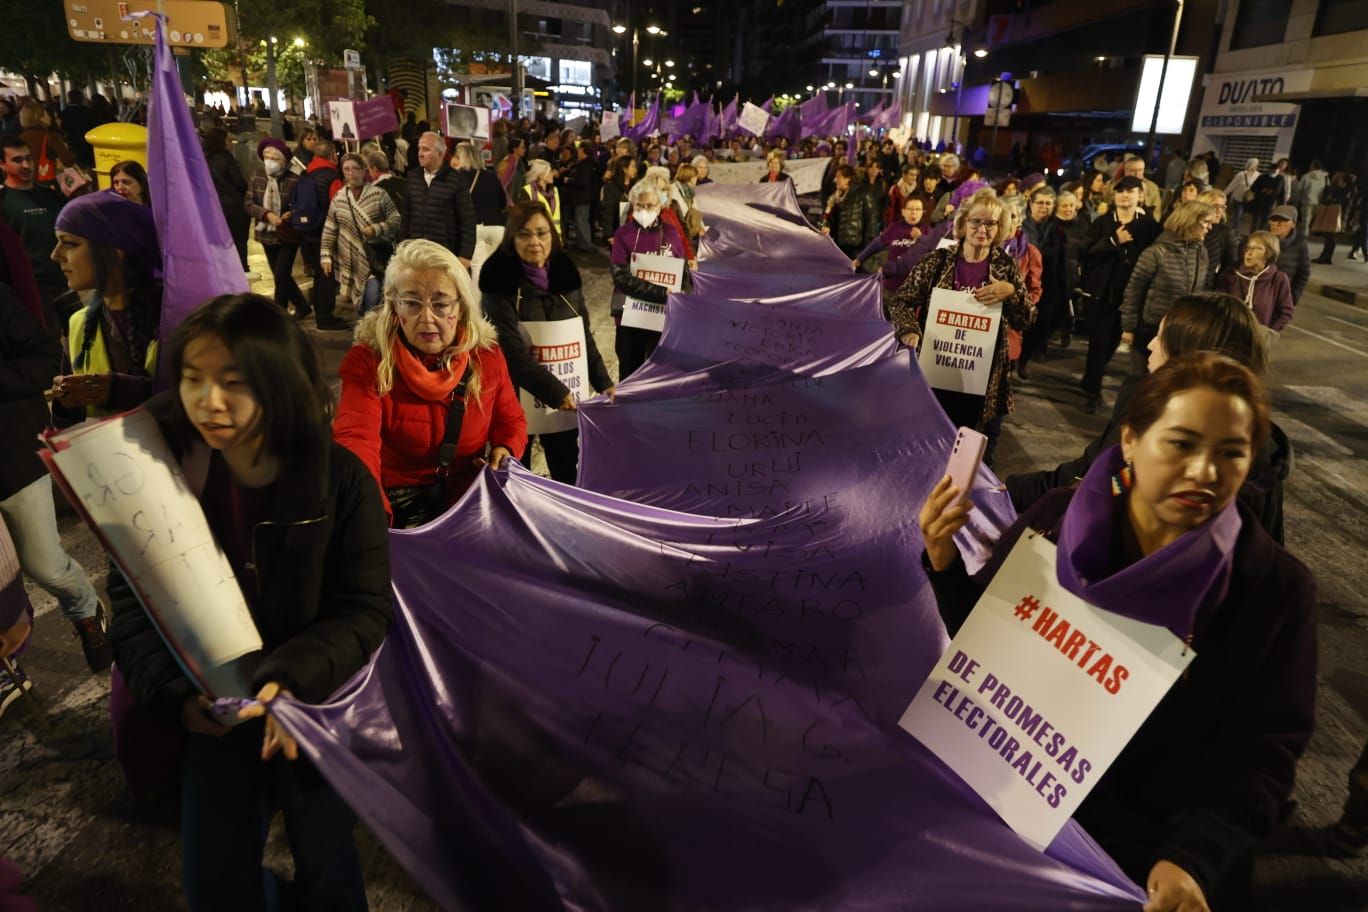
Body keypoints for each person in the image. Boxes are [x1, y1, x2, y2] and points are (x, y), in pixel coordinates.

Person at [922, 352, 1315, 912]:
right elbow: (986, 645)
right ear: (1130, 440)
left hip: (1141, 869)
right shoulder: (1054, 521)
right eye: (1182, 443)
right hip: (1012, 830)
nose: (1206, 472)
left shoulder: (1271, 590)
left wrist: (1193, 859)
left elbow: (1260, 756)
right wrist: (944, 565)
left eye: (1231, 452)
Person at [109, 292, 391, 911]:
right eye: (192, 379)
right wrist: (180, 700)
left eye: (233, 383)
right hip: (216, 713)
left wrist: (292, 678)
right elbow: (131, 605)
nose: (208, 401)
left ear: (280, 383)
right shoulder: (156, 477)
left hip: (309, 711)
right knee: (217, 882)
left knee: (329, 868)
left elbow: (365, 608)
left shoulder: (341, 481)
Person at [1007, 292, 1289, 537]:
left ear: (1189, 359)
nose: (1151, 344)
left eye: (1231, 453)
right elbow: (1094, 479)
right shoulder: (1142, 405)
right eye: (1182, 444)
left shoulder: (1248, 503)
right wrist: (1003, 492)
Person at [334, 239, 527, 528]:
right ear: (394, 307)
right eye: (411, 303)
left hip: (469, 503)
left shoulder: (485, 356)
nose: (426, 318)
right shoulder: (369, 362)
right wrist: (370, 518)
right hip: (398, 508)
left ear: (460, 307)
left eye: (440, 304)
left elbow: (511, 419)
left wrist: (505, 448)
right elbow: (356, 443)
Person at [0, 280, 109, 674]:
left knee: (42, 563)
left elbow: (46, 356)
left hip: (10, 457)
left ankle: (86, 611)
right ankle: (9, 667)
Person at [887, 188, 1031, 463]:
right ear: (963, 223)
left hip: (983, 378)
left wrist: (1011, 292)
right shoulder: (938, 261)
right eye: (976, 221)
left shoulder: (1006, 267)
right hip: (935, 370)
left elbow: (1026, 319)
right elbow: (900, 302)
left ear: (1000, 229)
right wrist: (909, 330)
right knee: (927, 446)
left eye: (991, 223)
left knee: (972, 455)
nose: (982, 229)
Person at [478, 202, 614, 484]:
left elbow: (582, 334)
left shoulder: (565, 274)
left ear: (553, 235)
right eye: (525, 235)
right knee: (517, 474)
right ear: (512, 238)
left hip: (563, 399)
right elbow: (510, 351)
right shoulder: (498, 281)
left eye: (542, 233)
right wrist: (555, 391)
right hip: (515, 399)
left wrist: (603, 382)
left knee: (566, 467)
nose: (535, 242)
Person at [49, 190, 162, 418]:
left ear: (115, 251)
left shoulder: (175, 315)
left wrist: (119, 390)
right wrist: (67, 398)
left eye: (69, 244)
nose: (55, 255)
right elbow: (76, 420)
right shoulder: (79, 324)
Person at [1077, 175, 1160, 414]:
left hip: (1128, 297)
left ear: (1140, 196)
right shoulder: (1103, 222)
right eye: (1121, 191)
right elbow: (1086, 252)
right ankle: (1092, 391)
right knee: (1098, 344)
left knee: (1112, 343)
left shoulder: (1148, 226)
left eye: (1131, 191)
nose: (1125, 195)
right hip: (1100, 295)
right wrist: (1113, 240)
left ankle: (1089, 379)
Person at [1119, 200, 1215, 376]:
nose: (1209, 228)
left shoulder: (1202, 252)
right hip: (1150, 328)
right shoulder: (1157, 252)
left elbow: (1202, 289)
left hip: (1182, 329)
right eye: (1206, 222)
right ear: (1189, 221)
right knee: (1139, 380)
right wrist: (1129, 327)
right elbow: (1134, 290)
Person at [610, 180, 690, 380]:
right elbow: (620, 276)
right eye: (640, 205)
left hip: (662, 317)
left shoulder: (670, 234)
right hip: (631, 316)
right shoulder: (623, 234)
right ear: (632, 205)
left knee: (658, 372)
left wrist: (683, 295)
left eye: (650, 205)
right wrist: (661, 293)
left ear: (661, 205)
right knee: (630, 371)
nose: (645, 210)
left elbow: (683, 272)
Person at [322, 153, 401, 321]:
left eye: (356, 169)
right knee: (361, 304)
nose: (352, 173)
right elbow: (330, 228)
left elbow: (396, 219)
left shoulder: (379, 194)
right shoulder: (339, 198)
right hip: (351, 258)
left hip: (375, 258)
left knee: (371, 300)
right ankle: (366, 334)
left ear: (364, 170)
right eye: (347, 169)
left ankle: (369, 334)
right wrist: (326, 255)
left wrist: (377, 229)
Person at [1, 135, 69, 322]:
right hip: (32, 289)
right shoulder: (4, 200)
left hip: (65, 280)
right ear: (2, 164)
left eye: (29, 158)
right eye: (17, 160)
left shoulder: (51, 195)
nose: (26, 165)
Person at [244, 138, 308, 317]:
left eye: (275, 158)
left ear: (284, 161)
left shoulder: (294, 179)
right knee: (282, 275)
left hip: (287, 234)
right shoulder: (257, 175)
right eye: (266, 157)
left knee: (281, 276)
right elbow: (248, 203)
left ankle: (279, 315)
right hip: (266, 233)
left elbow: (301, 204)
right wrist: (266, 214)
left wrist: (290, 213)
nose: (270, 161)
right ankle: (302, 305)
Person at [403, 131, 477, 270]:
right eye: (419, 148)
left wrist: (465, 255)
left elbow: (467, 220)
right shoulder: (412, 178)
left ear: (440, 153)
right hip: (415, 252)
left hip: (445, 253)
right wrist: (402, 246)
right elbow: (406, 216)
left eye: (426, 149)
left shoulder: (456, 180)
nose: (420, 153)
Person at [292, 137, 344, 328]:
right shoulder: (332, 177)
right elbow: (338, 207)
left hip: (306, 232)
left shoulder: (306, 173)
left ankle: (320, 313)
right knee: (327, 277)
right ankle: (325, 318)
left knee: (318, 275)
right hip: (324, 234)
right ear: (332, 155)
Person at [1018, 185, 1064, 377]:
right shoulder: (1020, 224)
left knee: (1040, 328)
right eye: (1040, 203)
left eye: (1048, 203)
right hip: (1022, 283)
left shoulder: (1058, 229)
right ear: (1031, 204)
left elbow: (1061, 259)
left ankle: (1024, 359)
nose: (1044, 207)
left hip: (1047, 284)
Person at [1220, 231, 1294, 333]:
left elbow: (1286, 312)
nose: (1249, 253)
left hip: (1257, 340)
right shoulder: (1231, 275)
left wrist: (1268, 333)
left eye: (1257, 248)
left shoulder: (1278, 279)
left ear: (1268, 253)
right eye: (1248, 248)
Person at [852, 195, 928, 293]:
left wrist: (920, 238)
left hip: (914, 287)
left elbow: (933, 253)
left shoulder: (927, 231)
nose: (914, 212)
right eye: (911, 209)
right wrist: (859, 259)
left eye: (918, 209)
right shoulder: (894, 228)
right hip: (891, 284)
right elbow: (876, 244)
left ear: (922, 212)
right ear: (903, 211)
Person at [203, 128, 251, 273]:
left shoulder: (204, 160)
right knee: (240, 242)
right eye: (228, 140)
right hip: (234, 207)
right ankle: (242, 269)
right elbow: (240, 183)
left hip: (214, 208)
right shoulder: (227, 159)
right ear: (222, 142)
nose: (231, 143)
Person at [1052, 189, 1090, 348]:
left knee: (1069, 306)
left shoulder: (1082, 224)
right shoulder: (1051, 224)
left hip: (1073, 272)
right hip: (1054, 271)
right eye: (1064, 205)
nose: (1068, 209)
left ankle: (1066, 333)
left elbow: (1087, 247)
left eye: (1071, 205)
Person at [821, 165, 879, 260]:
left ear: (848, 179)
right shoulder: (834, 198)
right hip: (838, 246)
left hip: (857, 248)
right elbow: (828, 218)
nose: (835, 180)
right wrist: (827, 225)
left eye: (838, 177)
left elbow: (871, 221)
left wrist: (867, 249)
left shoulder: (863, 193)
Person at [17, 102, 76, 187]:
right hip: (50, 183)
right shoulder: (51, 136)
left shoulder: (19, 138)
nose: (49, 117)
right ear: (39, 117)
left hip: (28, 182)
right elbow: (68, 161)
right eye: (46, 114)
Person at [1265, 205, 1311, 305]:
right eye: (1274, 219)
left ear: (1293, 224)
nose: (1277, 224)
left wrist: (1292, 299)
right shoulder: (1259, 239)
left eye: (1283, 221)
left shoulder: (1299, 245)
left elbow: (1303, 274)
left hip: (1279, 299)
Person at [1197, 189, 1237, 287]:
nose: (1219, 211)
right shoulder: (1190, 228)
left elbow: (1230, 264)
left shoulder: (1225, 233)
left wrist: (1216, 283)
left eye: (1222, 207)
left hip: (1206, 288)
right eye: (1215, 206)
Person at [564, 141, 599, 253]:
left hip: (582, 197)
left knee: (581, 220)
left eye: (579, 149)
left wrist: (569, 180)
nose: (577, 151)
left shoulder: (586, 165)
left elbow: (583, 181)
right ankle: (582, 243)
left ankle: (586, 245)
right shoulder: (585, 163)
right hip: (582, 196)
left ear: (583, 150)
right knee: (580, 220)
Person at [600, 154, 637, 241]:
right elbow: (608, 212)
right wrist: (609, 235)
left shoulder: (636, 187)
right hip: (617, 231)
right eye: (633, 167)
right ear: (624, 169)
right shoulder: (611, 187)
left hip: (633, 232)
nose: (635, 170)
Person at [1121, 155, 1164, 220]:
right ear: (1125, 171)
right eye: (1133, 170)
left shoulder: (1152, 187)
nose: (1137, 174)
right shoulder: (1115, 186)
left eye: (1140, 170)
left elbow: (1157, 212)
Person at [1224, 158, 1261, 233]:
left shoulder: (1258, 175)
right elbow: (1232, 185)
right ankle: (1234, 231)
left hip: (1249, 200)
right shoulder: (1241, 174)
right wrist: (1223, 194)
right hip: (1238, 198)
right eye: (1253, 164)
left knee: (1247, 218)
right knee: (1238, 215)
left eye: (1256, 164)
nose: (1254, 166)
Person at [1296, 159, 1329, 237]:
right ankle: (1307, 233)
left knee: (1305, 219)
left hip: (1307, 200)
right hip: (1319, 200)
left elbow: (1300, 188)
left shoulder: (1306, 176)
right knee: (1311, 219)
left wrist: (1297, 199)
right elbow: (1327, 188)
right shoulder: (1325, 177)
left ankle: (1304, 235)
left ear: (1312, 166)